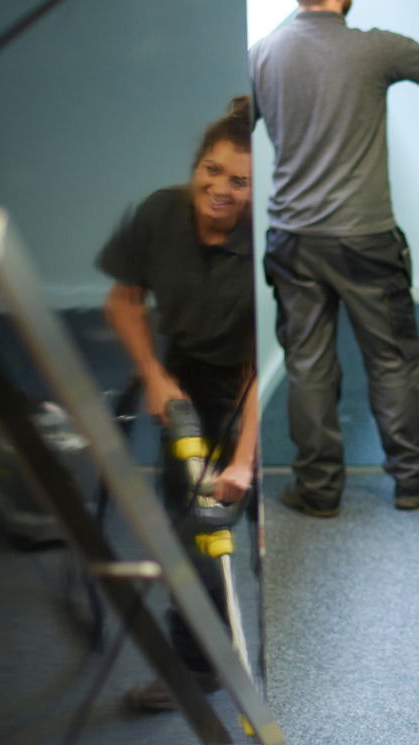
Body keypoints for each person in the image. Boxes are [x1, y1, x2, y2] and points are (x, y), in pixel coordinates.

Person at [248, 0, 419, 517]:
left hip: (292, 238)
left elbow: (231, 130)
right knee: (393, 359)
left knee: (307, 365)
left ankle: (318, 489)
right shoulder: (373, 46)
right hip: (366, 240)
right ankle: (413, 479)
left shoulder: (262, 54)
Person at [98, 96, 257, 709]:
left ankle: (269, 667)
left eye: (238, 181)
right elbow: (124, 300)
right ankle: (196, 668)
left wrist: (243, 462)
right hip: (184, 375)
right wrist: (155, 377)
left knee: (239, 519)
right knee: (188, 531)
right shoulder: (161, 214)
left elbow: (262, 360)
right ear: (196, 166)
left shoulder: (260, 239)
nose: (219, 188)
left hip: (247, 384)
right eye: (210, 170)